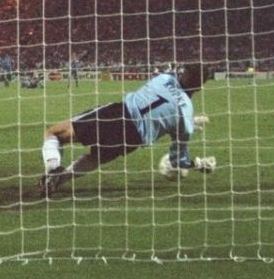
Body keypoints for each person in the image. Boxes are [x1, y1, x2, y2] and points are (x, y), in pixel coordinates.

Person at [39, 63, 215, 197]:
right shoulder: (185, 117)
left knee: (54, 133)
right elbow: (178, 161)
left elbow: (168, 95)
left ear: (183, 75)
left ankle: (52, 170)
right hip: (133, 138)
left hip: (118, 115)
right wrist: (198, 164)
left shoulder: (164, 79)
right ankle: (59, 180)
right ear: (199, 88)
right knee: (95, 158)